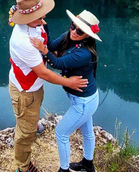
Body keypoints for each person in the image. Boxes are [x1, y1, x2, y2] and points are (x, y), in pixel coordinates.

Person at [9, 0, 89, 172]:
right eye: (39, 16)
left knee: (34, 106)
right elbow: (44, 73)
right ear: (27, 18)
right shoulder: (22, 41)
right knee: (25, 132)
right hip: (25, 89)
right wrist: (69, 82)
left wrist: (56, 53)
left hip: (33, 85)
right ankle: (23, 165)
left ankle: (31, 121)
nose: (44, 18)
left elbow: (49, 45)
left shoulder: (37, 25)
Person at [30, 10, 101, 172]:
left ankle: (64, 170)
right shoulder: (68, 36)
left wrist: (44, 50)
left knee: (61, 133)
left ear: (88, 35)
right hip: (85, 99)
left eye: (80, 31)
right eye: (73, 26)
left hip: (84, 102)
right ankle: (88, 165)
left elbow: (57, 63)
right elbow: (52, 47)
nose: (74, 32)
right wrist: (44, 28)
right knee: (87, 132)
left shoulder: (83, 54)